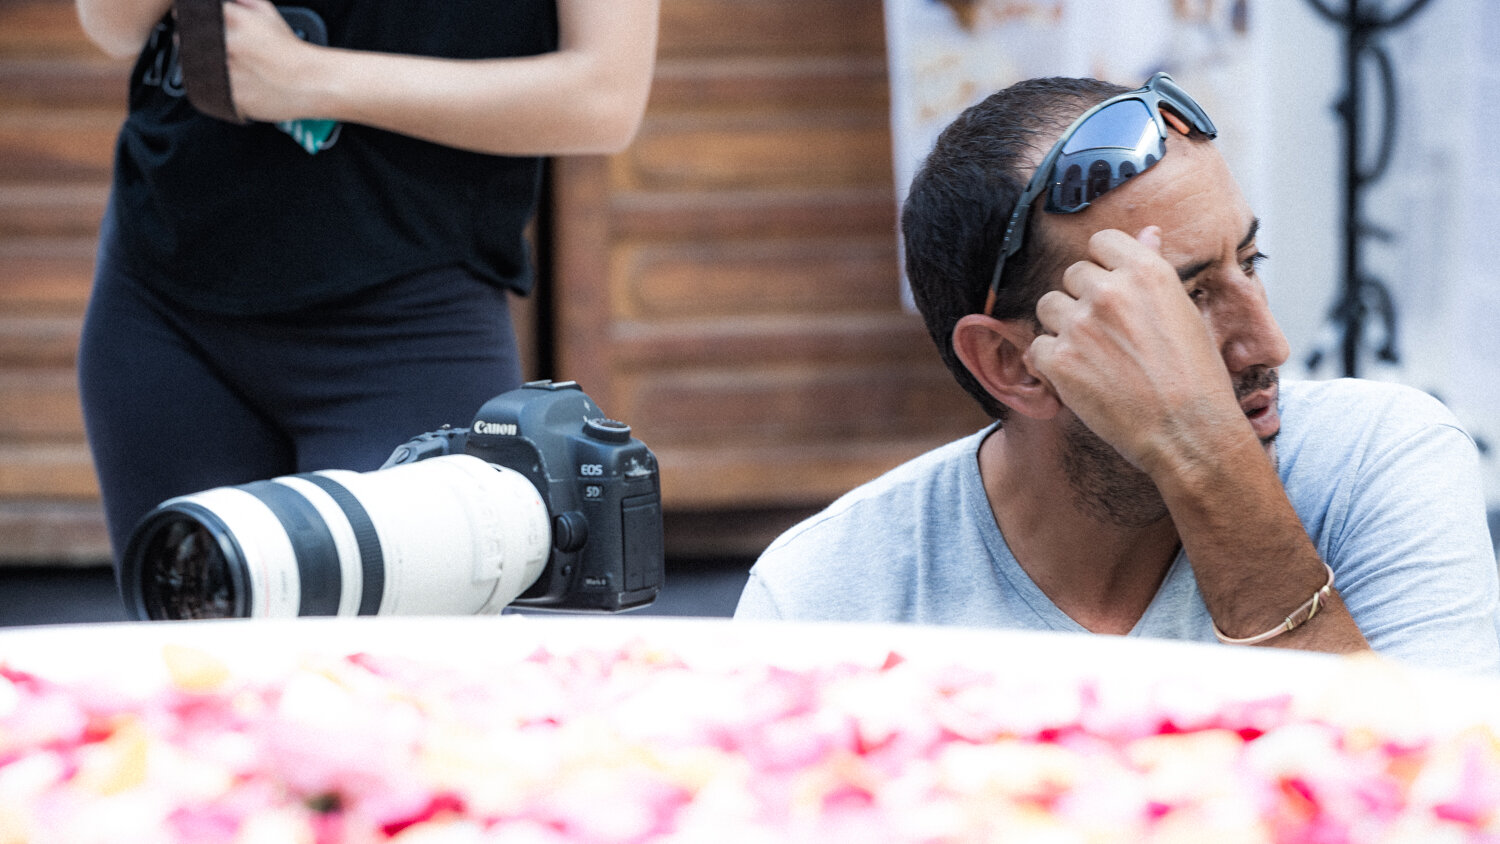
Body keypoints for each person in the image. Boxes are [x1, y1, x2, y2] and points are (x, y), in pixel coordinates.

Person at [734, 74, 1500, 675]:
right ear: (1012, 365)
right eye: (1183, 300)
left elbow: (1432, 797)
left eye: (1251, 264)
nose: (1268, 343)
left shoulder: (1379, 458)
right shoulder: (825, 595)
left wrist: (1204, 459)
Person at [73, 0, 659, 577]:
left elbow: (603, 97)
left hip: (409, 327)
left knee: (401, 666)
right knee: (195, 667)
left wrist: (310, 78)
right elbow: (113, 26)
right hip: (166, 301)